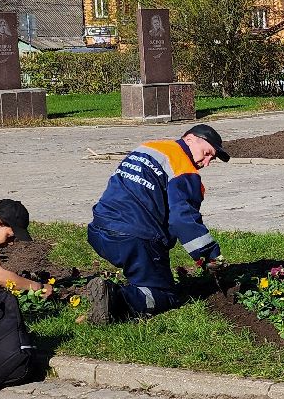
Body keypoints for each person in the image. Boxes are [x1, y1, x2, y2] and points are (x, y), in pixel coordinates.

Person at [83, 124, 229, 322]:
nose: (207, 162)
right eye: (207, 153)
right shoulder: (183, 168)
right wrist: (210, 256)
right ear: (190, 139)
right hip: (133, 238)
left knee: (143, 270)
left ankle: (118, 288)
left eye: (212, 159)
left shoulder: (148, 148)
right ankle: (117, 297)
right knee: (164, 294)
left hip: (100, 229)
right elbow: (182, 218)